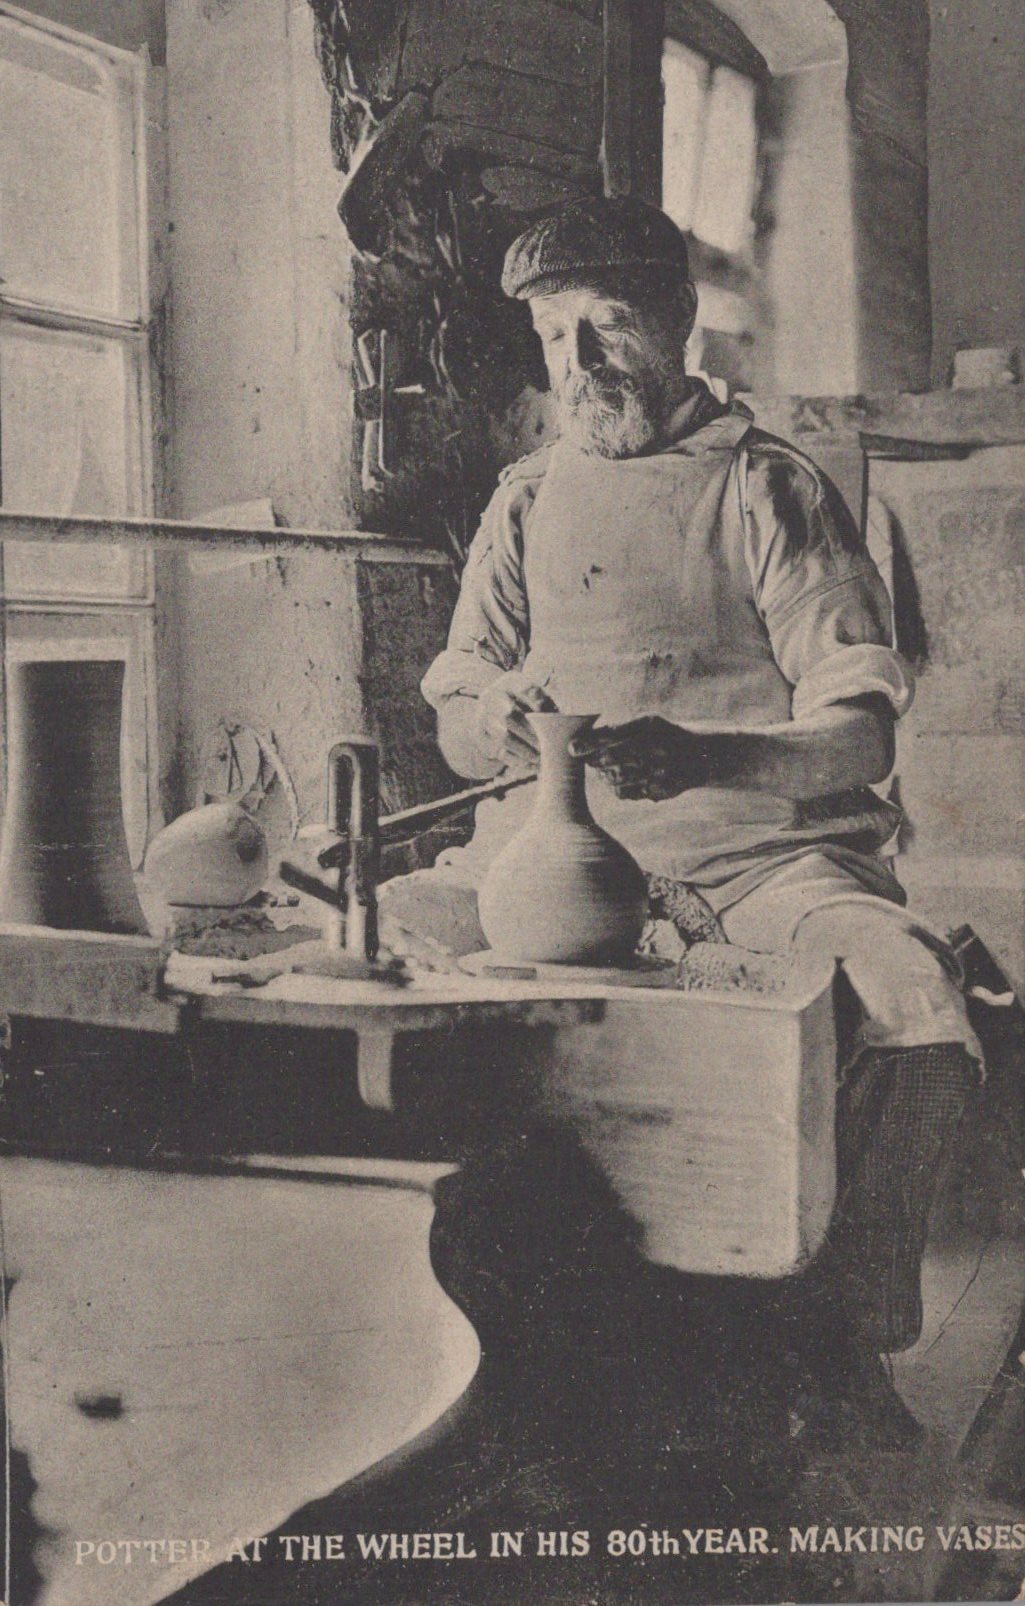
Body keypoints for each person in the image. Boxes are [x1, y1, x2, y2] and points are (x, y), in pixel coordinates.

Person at [382, 194, 980, 1368]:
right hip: (538, 859)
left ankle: (842, 1331)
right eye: (556, 337)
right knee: (379, 943)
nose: (580, 362)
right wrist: (489, 717)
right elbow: (457, 709)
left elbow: (859, 740)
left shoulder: (767, 487)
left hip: (755, 858)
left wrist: (707, 757)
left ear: (676, 317)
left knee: (913, 998)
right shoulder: (526, 495)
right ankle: (470, 1322)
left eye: (606, 325)